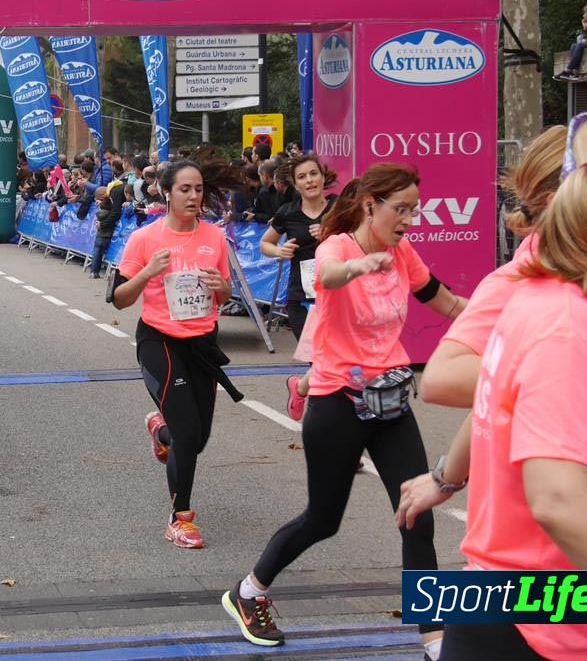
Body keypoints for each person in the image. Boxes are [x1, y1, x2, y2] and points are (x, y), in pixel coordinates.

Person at [223, 163, 466, 660]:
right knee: (323, 519)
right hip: (338, 402)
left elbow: (445, 303)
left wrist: (508, 309)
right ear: (370, 205)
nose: (409, 220)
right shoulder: (336, 249)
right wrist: (360, 266)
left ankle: (433, 638)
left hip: (392, 401)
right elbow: (329, 275)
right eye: (401, 210)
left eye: (414, 210)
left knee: (417, 513)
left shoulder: (403, 253)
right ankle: (248, 591)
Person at [429, 105, 587, 660]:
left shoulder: (581, 302)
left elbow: (505, 404)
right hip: (540, 617)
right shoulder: (564, 323)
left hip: (526, 603)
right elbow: (557, 502)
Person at [397, 125, 568, 532]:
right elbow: (443, 378)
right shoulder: (527, 278)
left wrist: (447, 476)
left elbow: (494, 400)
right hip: (534, 553)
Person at [110, 158, 245, 550]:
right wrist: (147, 272)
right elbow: (119, 300)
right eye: (185, 189)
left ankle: (160, 429)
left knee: (197, 439)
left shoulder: (214, 237)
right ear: (166, 192)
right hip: (159, 341)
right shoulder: (145, 239)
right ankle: (180, 518)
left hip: (202, 344)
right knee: (188, 435)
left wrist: (222, 287)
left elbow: (225, 295)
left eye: (199, 189)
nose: (193, 196)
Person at [259, 154, 338, 421]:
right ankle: (326, 423)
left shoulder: (340, 208)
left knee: (333, 362)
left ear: (323, 176)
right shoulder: (288, 213)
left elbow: (359, 239)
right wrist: (279, 251)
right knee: (323, 363)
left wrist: (331, 234)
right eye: (302, 177)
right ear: (295, 184)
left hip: (339, 296)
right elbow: (265, 244)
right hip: (302, 298)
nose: (309, 180)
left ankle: (301, 387)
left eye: (313, 174)